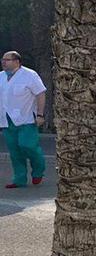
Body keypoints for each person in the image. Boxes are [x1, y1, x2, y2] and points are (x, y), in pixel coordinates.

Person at [0, 51, 47, 189]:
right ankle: (19, 179)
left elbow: (40, 93)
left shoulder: (29, 75)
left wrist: (40, 114)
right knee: (15, 151)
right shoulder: (1, 77)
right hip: (7, 120)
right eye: (2, 59)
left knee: (28, 146)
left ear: (17, 61)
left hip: (26, 119)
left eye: (7, 60)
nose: (3, 62)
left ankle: (38, 170)